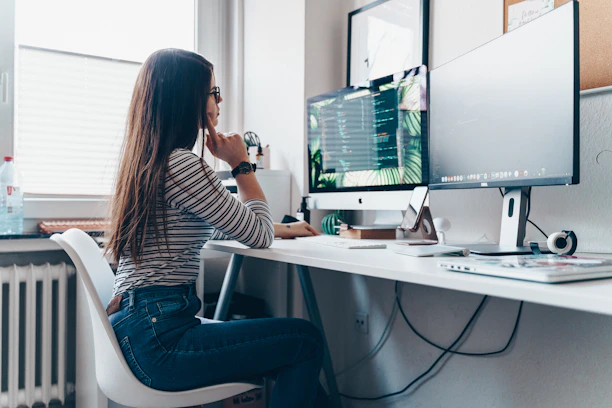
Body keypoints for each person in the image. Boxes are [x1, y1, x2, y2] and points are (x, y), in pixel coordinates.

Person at [105, 48, 328, 408]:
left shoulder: (149, 162)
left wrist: (282, 228)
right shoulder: (183, 164)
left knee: (292, 345)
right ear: (189, 97)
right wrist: (241, 164)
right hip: (161, 340)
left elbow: (217, 224)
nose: (220, 101)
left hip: (139, 330)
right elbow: (257, 236)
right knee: (305, 341)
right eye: (214, 92)